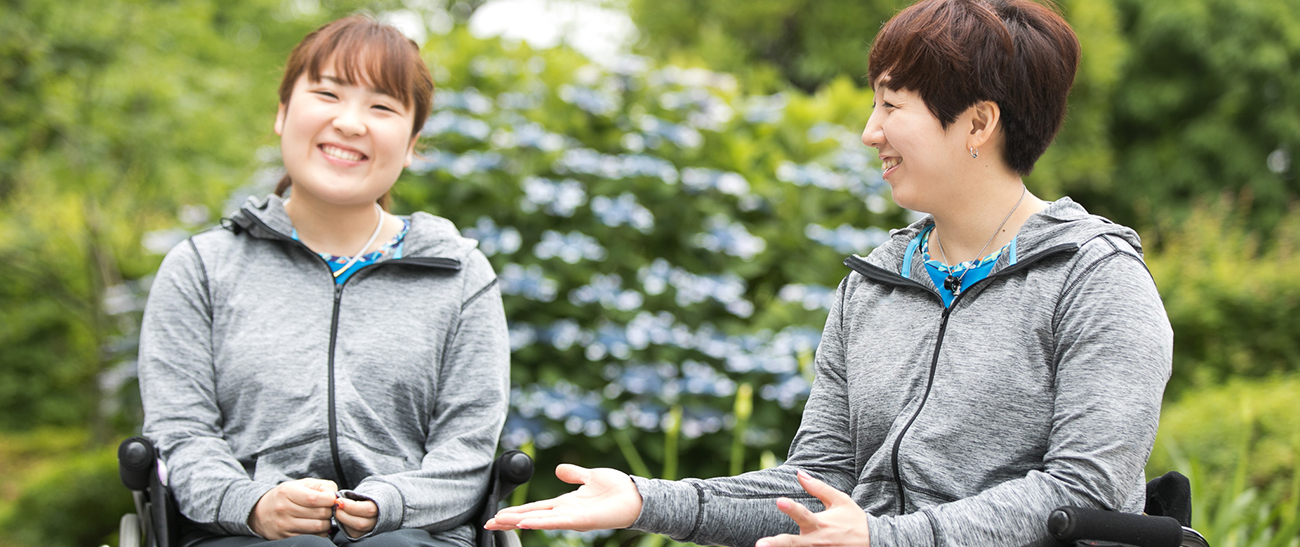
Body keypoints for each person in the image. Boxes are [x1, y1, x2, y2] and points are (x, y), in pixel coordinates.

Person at [485, 0, 1172, 545]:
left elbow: (1082, 492)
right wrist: (645, 499)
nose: (870, 131)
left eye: (891, 104)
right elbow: (816, 486)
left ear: (978, 122)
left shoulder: (1095, 279)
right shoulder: (873, 283)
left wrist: (884, 538)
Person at [138, 15, 509, 547]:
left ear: (411, 143)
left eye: (382, 107)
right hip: (239, 534)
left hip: (415, 534)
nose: (351, 123)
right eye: (327, 94)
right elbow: (182, 435)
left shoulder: (461, 275)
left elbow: (468, 450)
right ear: (283, 112)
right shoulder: (202, 267)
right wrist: (254, 505)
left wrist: (390, 504)